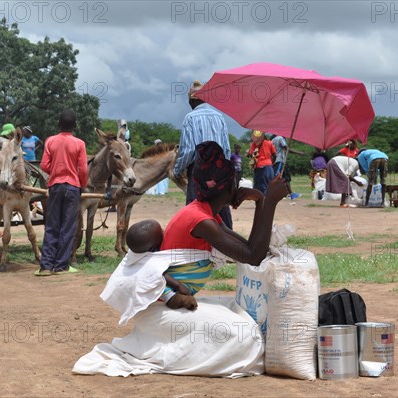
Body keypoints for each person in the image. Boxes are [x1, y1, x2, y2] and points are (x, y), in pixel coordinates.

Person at [73, 141, 288, 377]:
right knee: (246, 335)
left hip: (165, 310)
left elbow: (250, 249)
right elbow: (254, 256)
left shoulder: (205, 214)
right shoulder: (201, 221)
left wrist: (260, 201)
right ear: (229, 188)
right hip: (161, 313)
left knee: (241, 314)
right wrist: (271, 202)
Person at [173, 80, 233, 229]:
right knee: (221, 208)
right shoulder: (219, 117)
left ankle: (197, 246)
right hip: (220, 171)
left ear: (191, 100)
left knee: (196, 212)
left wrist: (177, 170)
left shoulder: (190, 118)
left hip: (199, 172)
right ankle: (229, 245)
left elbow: (187, 151)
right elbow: (226, 149)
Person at [36, 109, 88, 275]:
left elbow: (43, 165)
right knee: (67, 227)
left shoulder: (50, 141)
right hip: (73, 187)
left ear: (59, 125)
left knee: (52, 225)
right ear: (75, 126)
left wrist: (57, 169)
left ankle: (45, 266)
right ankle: (61, 266)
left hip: (55, 186)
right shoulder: (79, 144)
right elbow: (83, 169)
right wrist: (82, 185)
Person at [271, 134, 301, 200]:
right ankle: (274, 193)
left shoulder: (272, 140)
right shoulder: (280, 138)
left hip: (278, 161)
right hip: (279, 161)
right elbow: (286, 148)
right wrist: (299, 153)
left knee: (285, 178)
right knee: (278, 177)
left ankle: (291, 194)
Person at [247, 130, 275, 195]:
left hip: (259, 167)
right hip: (269, 166)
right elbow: (274, 155)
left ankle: (261, 202)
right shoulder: (269, 143)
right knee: (268, 185)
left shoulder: (254, 144)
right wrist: (271, 163)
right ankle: (267, 202)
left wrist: (248, 154)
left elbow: (251, 154)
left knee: (260, 186)